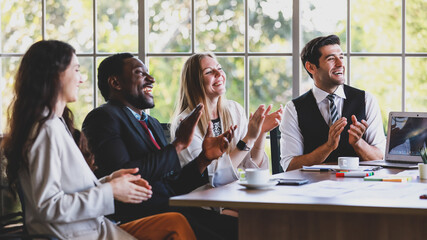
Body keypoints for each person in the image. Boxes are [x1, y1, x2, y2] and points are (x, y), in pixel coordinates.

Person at [2, 40, 196, 239]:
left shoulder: (55, 125)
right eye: (76, 70)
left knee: (176, 223)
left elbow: (70, 192)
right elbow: (48, 207)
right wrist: (110, 190)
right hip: (80, 235)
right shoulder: (45, 129)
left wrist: (109, 182)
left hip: (94, 228)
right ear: (54, 76)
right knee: (178, 224)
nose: (81, 79)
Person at [82, 53, 237, 239]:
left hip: (173, 210)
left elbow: (171, 187)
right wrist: (178, 145)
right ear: (116, 83)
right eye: (140, 73)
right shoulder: (103, 117)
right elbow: (124, 176)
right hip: (142, 219)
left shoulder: (153, 123)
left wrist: (204, 158)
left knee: (244, 227)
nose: (151, 79)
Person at [171, 53, 283, 187]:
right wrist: (248, 139)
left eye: (219, 68)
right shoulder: (185, 123)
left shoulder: (234, 109)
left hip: (235, 195)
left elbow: (252, 168)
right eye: (209, 72)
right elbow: (212, 178)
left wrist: (261, 133)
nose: (218, 74)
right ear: (195, 82)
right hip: (204, 201)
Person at [279, 35, 386, 171]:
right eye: (331, 59)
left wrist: (358, 143)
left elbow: (380, 158)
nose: (340, 64)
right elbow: (290, 166)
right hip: (313, 188)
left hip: (359, 188)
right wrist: (328, 147)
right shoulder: (293, 109)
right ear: (311, 67)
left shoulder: (366, 100)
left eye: (341, 57)